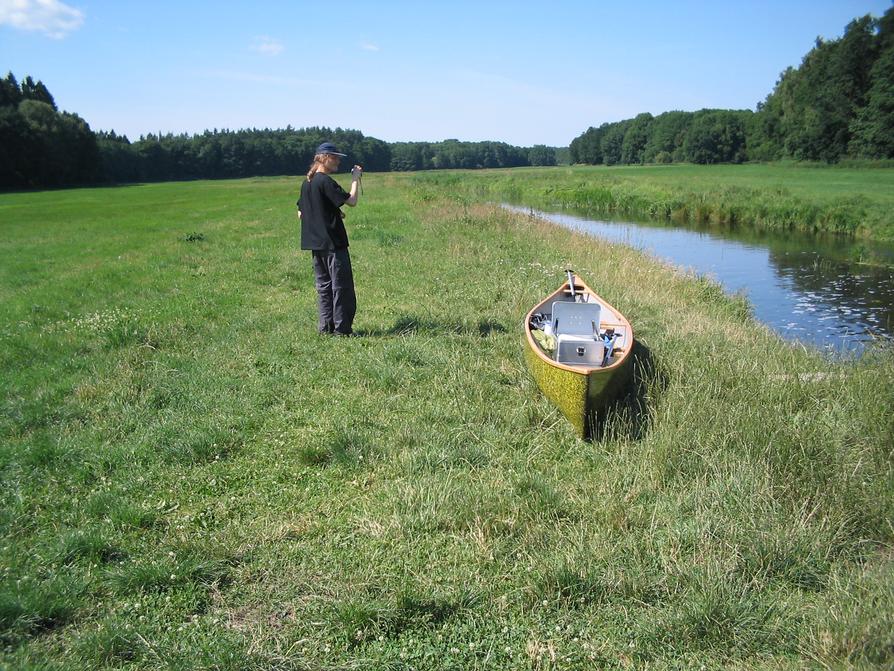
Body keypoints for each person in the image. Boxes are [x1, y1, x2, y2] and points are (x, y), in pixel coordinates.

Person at [296, 142, 363, 335]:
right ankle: (342, 330)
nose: (339, 161)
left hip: (315, 244)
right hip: (334, 243)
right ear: (325, 158)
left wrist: (333, 211)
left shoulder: (307, 182)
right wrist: (355, 179)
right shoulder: (325, 181)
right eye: (336, 157)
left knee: (324, 288)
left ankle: (325, 328)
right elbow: (351, 201)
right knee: (342, 288)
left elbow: (301, 212)